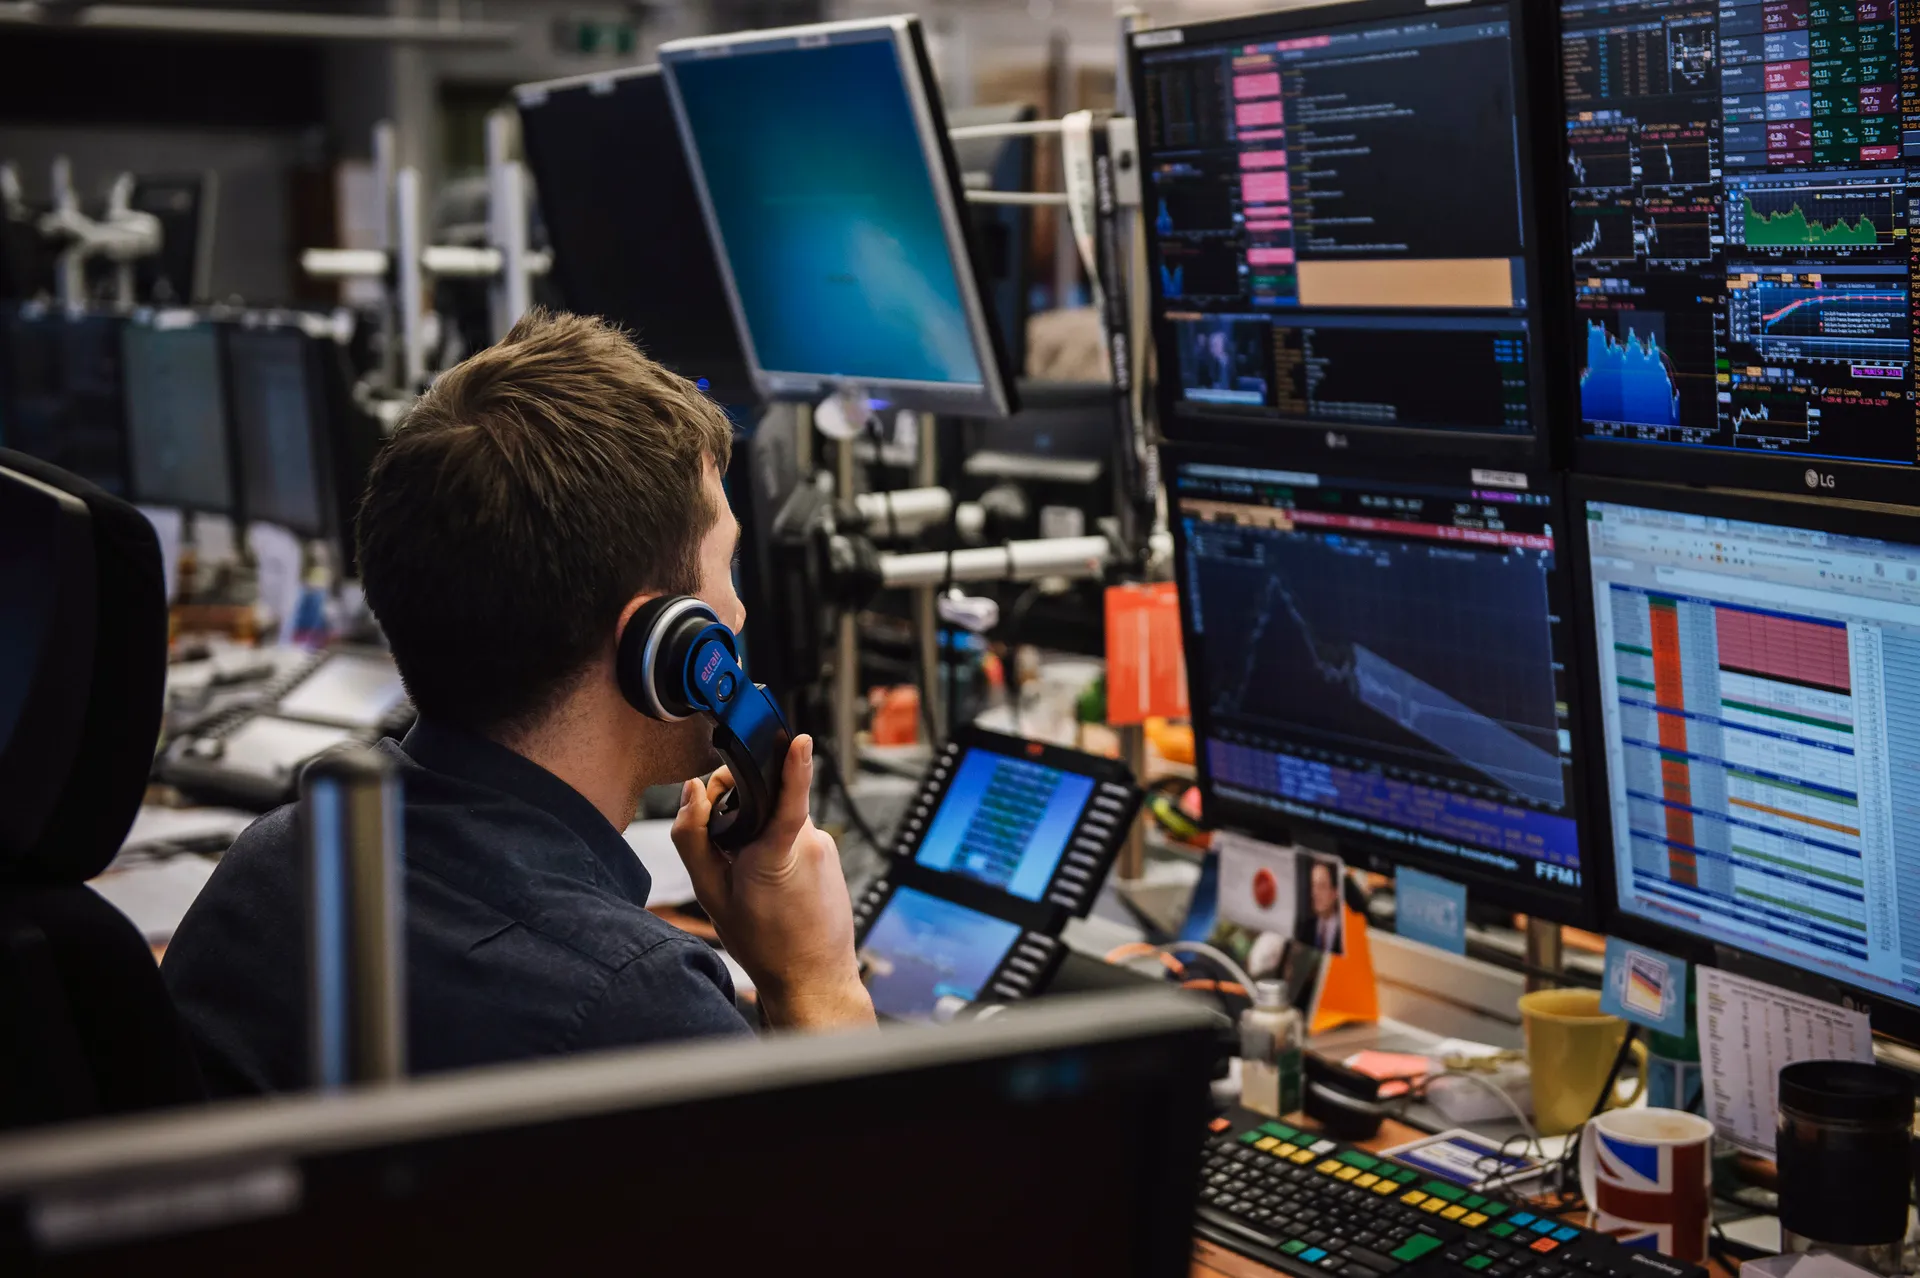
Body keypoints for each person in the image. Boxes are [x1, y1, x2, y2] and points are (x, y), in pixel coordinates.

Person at [163, 310, 875, 1096]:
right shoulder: (630, 1007)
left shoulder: (271, 862)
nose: (737, 614)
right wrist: (815, 980)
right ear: (668, 644)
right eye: (726, 569)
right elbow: (876, 1215)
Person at [1294, 858, 1342, 955]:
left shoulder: (1346, 932)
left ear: (1335, 893)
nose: (1315, 893)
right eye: (1313, 886)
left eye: (1321, 886)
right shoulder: (1304, 926)